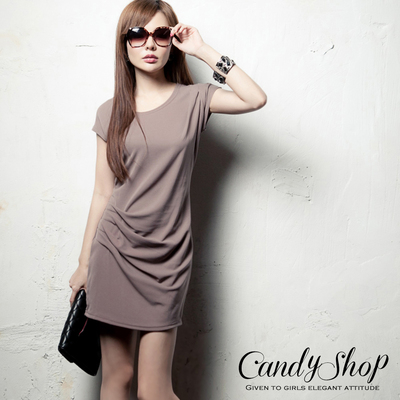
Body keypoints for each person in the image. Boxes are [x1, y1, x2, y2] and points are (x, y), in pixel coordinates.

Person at [68, 0, 266, 399]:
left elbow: (254, 98)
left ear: (172, 41)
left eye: (161, 34)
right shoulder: (109, 113)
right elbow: (102, 192)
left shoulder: (194, 99)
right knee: (117, 378)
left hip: (168, 259)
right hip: (114, 253)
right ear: (124, 44)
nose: (149, 44)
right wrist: (83, 264)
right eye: (137, 34)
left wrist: (203, 50)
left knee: (154, 390)